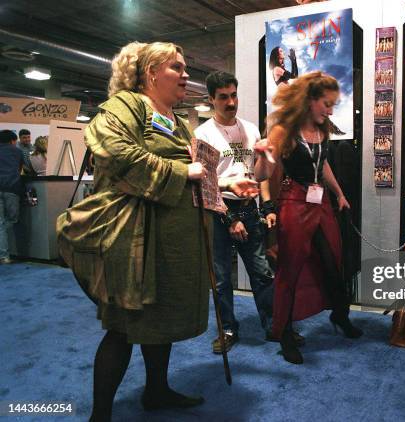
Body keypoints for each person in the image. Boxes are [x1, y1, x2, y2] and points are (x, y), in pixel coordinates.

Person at [84, 42, 257, 421]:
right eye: (176, 67)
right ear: (150, 73)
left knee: (157, 322)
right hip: (133, 241)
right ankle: (100, 415)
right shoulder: (124, 106)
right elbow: (114, 153)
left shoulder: (177, 120)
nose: (185, 75)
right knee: (123, 326)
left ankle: (156, 391)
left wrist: (227, 186)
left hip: (170, 243)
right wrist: (184, 172)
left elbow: (196, 173)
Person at [254, 71, 362, 365]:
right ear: (310, 100)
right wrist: (262, 155)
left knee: (333, 262)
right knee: (290, 270)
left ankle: (340, 316)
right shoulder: (283, 130)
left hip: (321, 203)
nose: (330, 110)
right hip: (293, 203)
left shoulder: (322, 127)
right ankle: (285, 333)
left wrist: (339, 193)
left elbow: (323, 162)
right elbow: (261, 175)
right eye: (326, 103)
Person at [195, 71, 296, 354]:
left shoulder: (250, 129)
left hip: (249, 210)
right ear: (211, 99)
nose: (230, 102)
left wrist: (266, 156)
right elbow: (204, 183)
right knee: (222, 278)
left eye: (233, 95)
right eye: (223, 97)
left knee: (262, 272)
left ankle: (273, 324)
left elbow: (261, 174)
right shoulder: (202, 134)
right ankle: (227, 328)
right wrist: (229, 219)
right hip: (219, 212)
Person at [0, 130, 23, 265]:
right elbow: (22, 168)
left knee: (0, 223)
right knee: (13, 219)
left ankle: (4, 256)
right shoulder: (17, 151)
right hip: (11, 188)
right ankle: (4, 255)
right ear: (12, 141)